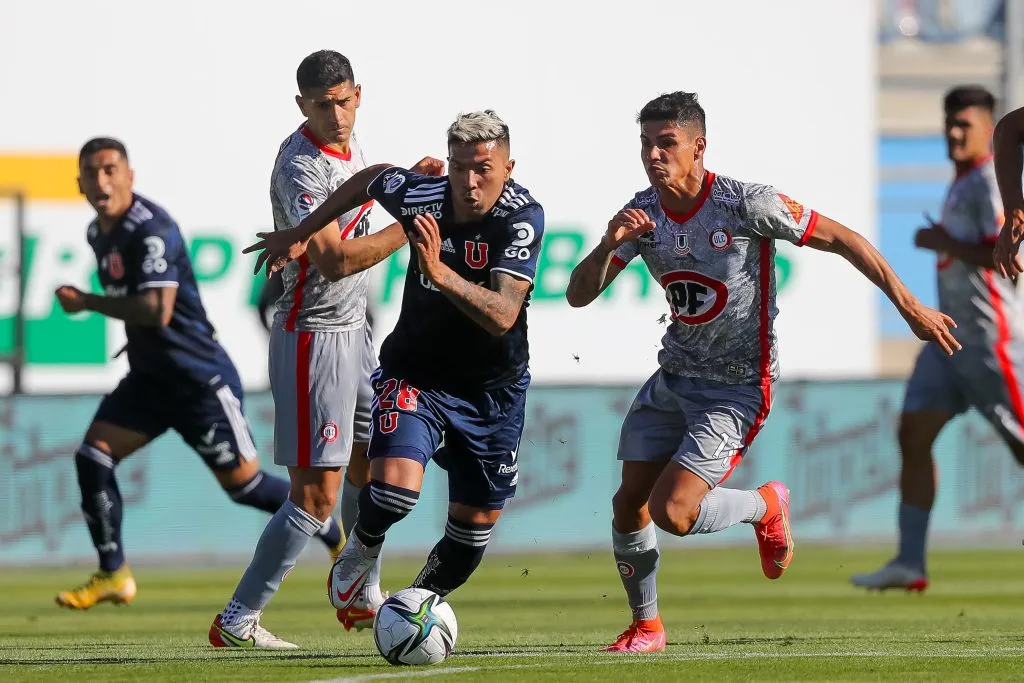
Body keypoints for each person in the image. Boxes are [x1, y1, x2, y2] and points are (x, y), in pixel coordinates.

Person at [564, 91, 959, 653]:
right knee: (628, 502)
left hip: (736, 386)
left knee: (672, 511)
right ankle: (646, 626)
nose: (654, 155)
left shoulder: (746, 204)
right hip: (674, 376)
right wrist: (608, 244)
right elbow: (579, 296)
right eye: (646, 144)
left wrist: (909, 306)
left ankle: (766, 505)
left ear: (698, 146)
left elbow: (845, 239)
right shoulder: (642, 215)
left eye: (666, 143)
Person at [245, 110, 543, 624]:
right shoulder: (427, 196)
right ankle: (361, 549)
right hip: (417, 374)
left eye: (483, 170)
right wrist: (303, 229)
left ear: (508, 168)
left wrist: (439, 273)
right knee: (393, 490)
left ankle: (413, 604)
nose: (469, 184)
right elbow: (371, 180)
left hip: (492, 392)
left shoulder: (521, 218)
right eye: (459, 167)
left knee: (470, 534)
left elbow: (502, 315)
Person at [209, 51, 440, 649]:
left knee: (377, 460)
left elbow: (366, 203)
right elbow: (337, 260)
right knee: (315, 499)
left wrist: (411, 182)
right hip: (314, 337)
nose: (335, 114)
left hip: (357, 334)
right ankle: (237, 620)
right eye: (321, 105)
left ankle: (361, 590)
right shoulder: (300, 166)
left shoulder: (354, 149)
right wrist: (416, 226)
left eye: (343, 101)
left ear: (358, 94)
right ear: (301, 105)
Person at [53, 137, 338, 610]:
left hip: (197, 380)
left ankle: (325, 524)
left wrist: (87, 302)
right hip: (149, 379)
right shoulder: (97, 234)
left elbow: (156, 308)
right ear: (79, 183)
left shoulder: (151, 229)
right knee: (93, 457)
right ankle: (113, 574)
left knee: (244, 486)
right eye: (91, 173)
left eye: (110, 170)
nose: (101, 181)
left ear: (129, 176)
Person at [852, 85, 1024, 591]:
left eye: (964, 124)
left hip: (992, 339)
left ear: (987, 129)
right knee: (913, 434)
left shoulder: (991, 185)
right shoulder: (961, 183)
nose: (953, 132)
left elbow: (1008, 258)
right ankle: (909, 561)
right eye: (949, 122)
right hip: (949, 338)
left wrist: (940, 242)